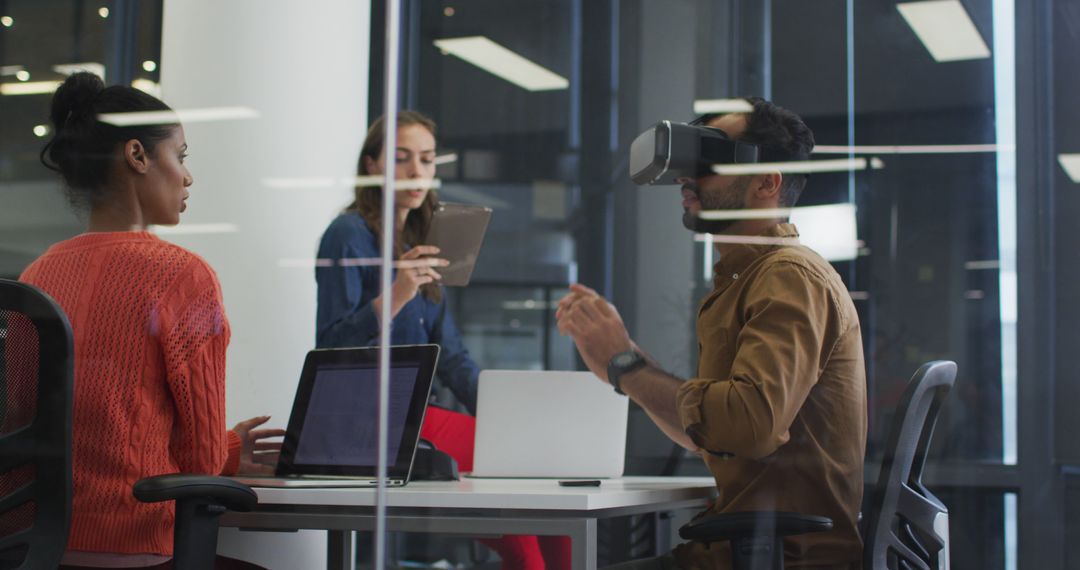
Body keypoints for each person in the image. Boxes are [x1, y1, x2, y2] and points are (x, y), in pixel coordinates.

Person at [557, 97, 867, 569]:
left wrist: (627, 366)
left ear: (767, 180)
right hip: (740, 554)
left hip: (781, 560)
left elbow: (748, 427)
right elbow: (711, 434)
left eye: (710, 159)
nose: (686, 178)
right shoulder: (749, 280)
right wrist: (623, 363)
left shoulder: (789, 277)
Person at [19, 72, 282, 570]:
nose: (187, 176)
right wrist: (230, 450)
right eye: (180, 156)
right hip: (132, 544)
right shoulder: (185, 277)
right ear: (137, 155)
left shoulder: (38, 274)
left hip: (33, 545)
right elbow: (202, 465)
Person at [314, 110, 570, 569]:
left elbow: (450, 356)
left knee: (554, 514)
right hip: (371, 418)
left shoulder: (424, 237)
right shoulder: (347, 235)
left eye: (428, 161)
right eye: (401, 159)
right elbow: (330, 350)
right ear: (372, 165)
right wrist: (398, 292)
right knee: (521, 509)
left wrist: (504, 411)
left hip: (419, 414)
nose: (417, 173)